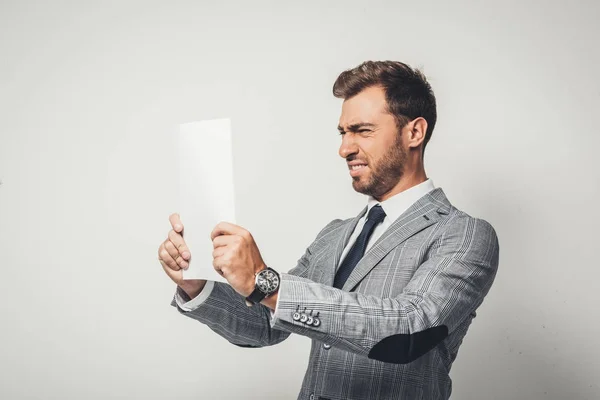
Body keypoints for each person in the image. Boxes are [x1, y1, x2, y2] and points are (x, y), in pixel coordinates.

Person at [158, 60, 500, 400]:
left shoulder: (462, 234)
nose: (344, 149)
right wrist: (197, 284)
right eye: (343, 132)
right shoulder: (335, 235)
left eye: (362, 130)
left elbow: (409, 329)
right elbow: (266, 325)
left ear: (414, 132)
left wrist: (265, 281)